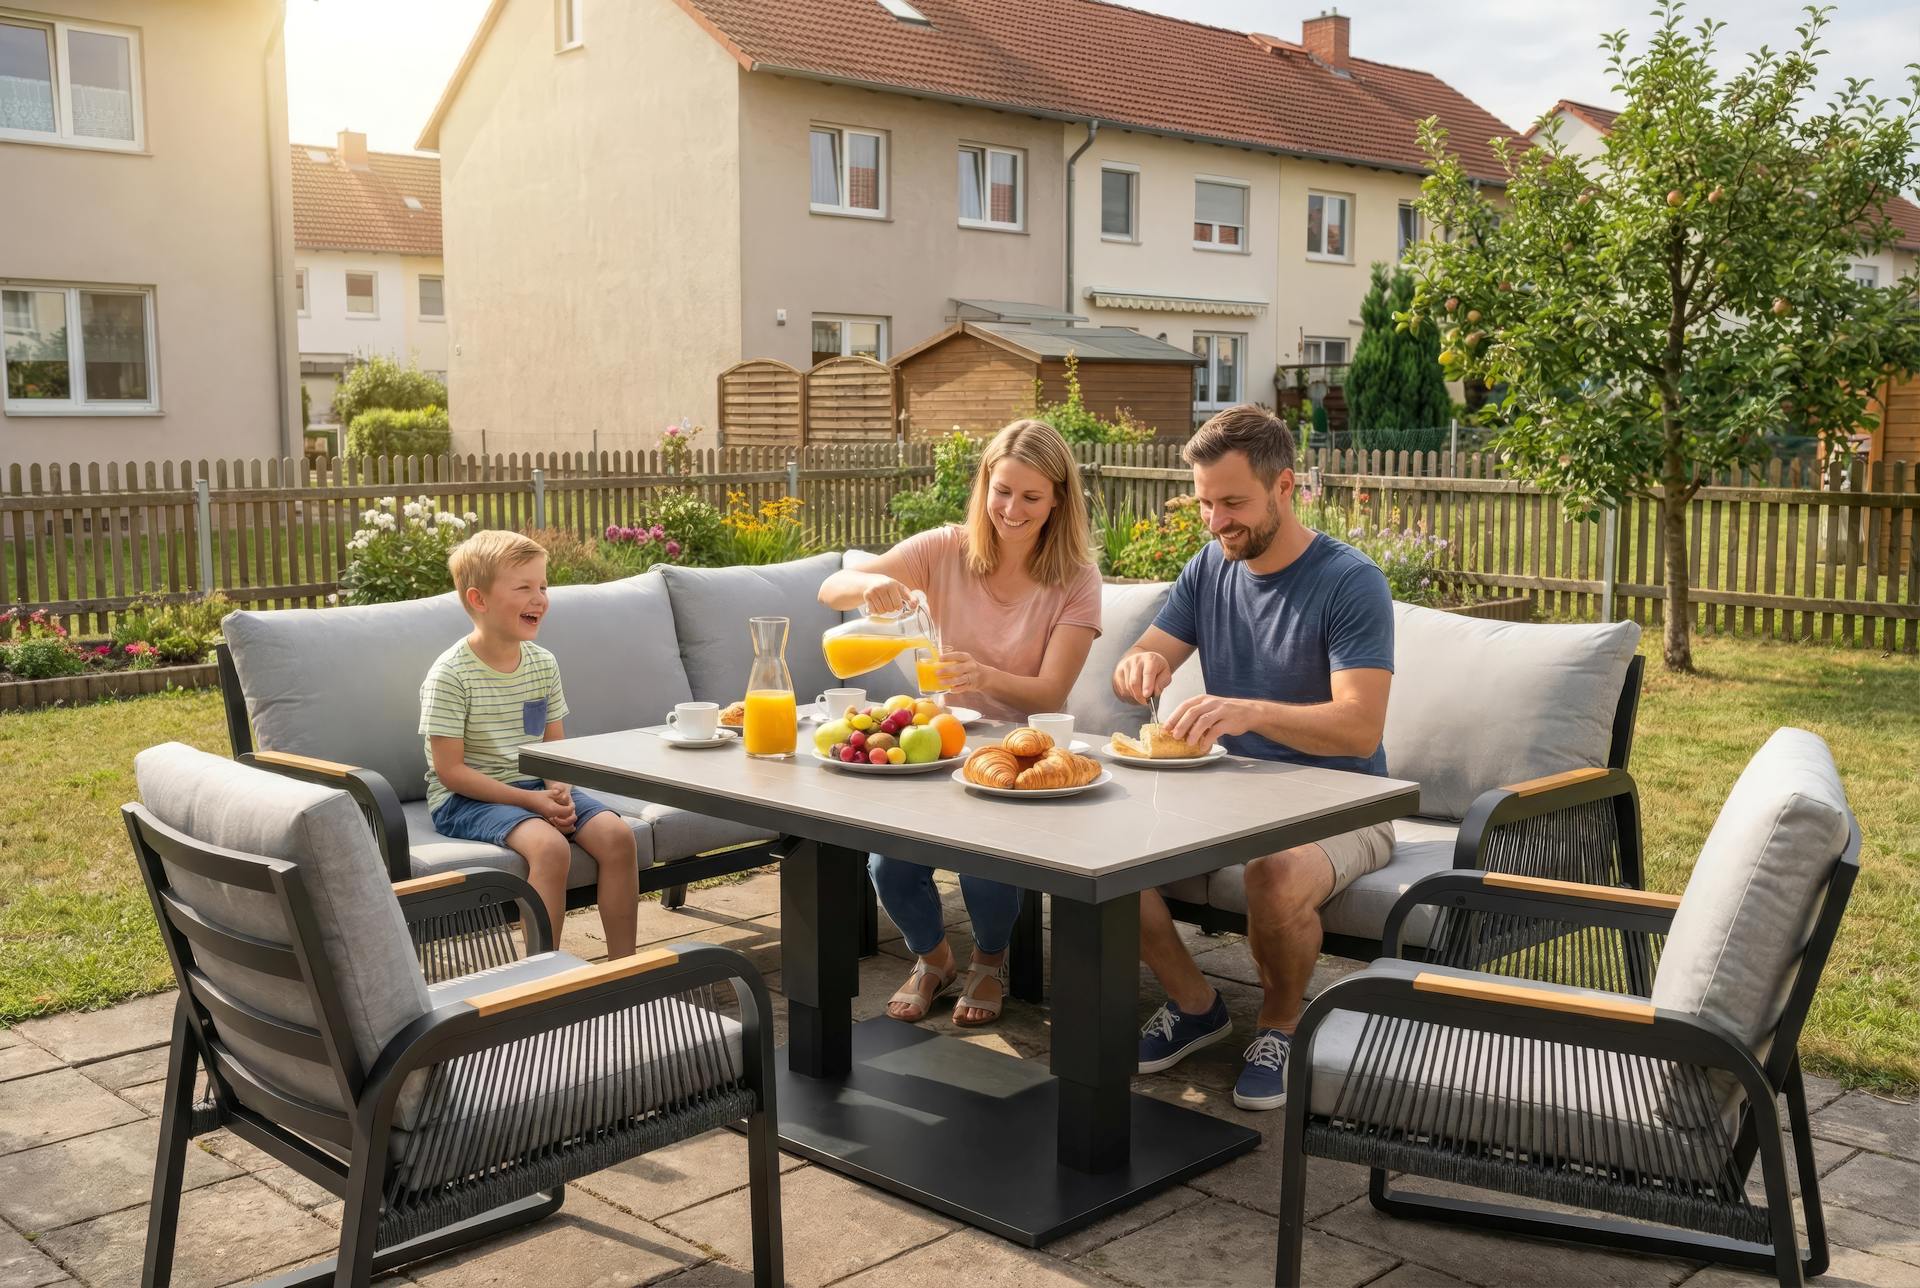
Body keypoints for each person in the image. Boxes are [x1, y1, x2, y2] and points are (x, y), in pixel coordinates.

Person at [1111, 404, 1394, 1110]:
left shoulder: (1350, 582)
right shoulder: (1210, 566)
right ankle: (1194, 1003)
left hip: (1345, 801)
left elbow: (1360, 729)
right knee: (1100, 852)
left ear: (1285, 486)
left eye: (1232, 503)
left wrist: (1244, 711)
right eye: (1205, 503)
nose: (1215, 522)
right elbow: (1148, 651)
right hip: (1232, 792)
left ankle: (1282, 1024)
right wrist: (1139, 667)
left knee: (1274, 872)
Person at [819, 419, 1101, 1026]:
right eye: (1003, 491)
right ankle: (936, 959)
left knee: (984, 866)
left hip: (1017, 755)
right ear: (984, 486)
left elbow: (1051, 689)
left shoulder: (1075, 578)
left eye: (1031, 496)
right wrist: (873, 584)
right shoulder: (946, 547)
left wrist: (982, 676)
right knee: (887, 864)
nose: (1013, 509)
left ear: (1057, 498)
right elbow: (832, 587)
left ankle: (990, 962)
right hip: (942, 745)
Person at [419, 529, 639, 958]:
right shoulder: (450, 675)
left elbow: (553, 748)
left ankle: (624, 968)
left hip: (534, 789)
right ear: (478, 600)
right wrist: (535, 805)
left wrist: (559, 788)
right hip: (465, 798)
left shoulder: (542, 664)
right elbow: (451, 772)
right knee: (550, 848)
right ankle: (543, 975)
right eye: (524, 588)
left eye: (543, 586)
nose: (540, 598)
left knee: (617, 836)